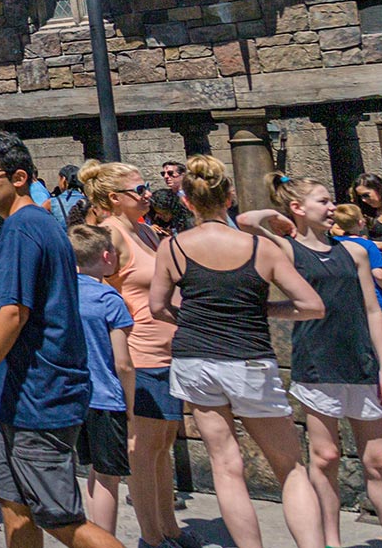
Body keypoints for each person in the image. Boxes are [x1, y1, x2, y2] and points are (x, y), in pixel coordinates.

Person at [0, 132, 118, 548]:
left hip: (40, 396)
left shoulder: (26, 229)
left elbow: (11, 313)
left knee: (59, 518)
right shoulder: (26, 227)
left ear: (19, 177)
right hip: (20, 395)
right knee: (13, 504)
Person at [150, 155, 325, 548]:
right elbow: (312, 305)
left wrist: (194, 320)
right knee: (290, 468)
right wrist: (266, 309)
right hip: (248, 358)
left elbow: (157, 307)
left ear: (188, 202)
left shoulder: (173, 247)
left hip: (194, 359)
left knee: (226, 467)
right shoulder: (259, 249)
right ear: (229, 198)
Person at [244, 174, 382, 548]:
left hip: (361, 363)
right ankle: (330, 541)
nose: (332, 206)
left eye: (331, 201)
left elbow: (372, 310)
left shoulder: (357, 251)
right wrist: (278, 216)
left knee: (379, 460)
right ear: (299, 208)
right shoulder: (286, 249)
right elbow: (247, 222)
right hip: (317, 363)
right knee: (326, 455)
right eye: (322, 201)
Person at [78, 160, 185, 548]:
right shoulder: (112, 235)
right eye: (139, 190)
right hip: (140, 353)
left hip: (169, 352)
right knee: (144, 449)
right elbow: (95, 295)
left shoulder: (146, 231)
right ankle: (152, 537)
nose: (147, 195)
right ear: (114, 199)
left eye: (146, 187)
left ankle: (169, 528)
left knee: (163, 446)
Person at [69, 223, 134, 536]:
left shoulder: (63, 294)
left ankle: (95, 535)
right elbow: (123, 363)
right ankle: (105, 540)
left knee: (92, 472)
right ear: (107, 256)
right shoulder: (110, 300)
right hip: (107, 397)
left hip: (75, 397)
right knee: (109, 477)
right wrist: (131, 404)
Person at [330, 202, 382, 311]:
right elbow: (378, 274)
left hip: (343, 299)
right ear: (360, 223)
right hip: (371, 299)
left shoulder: (331, 243)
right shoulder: (368, 245)